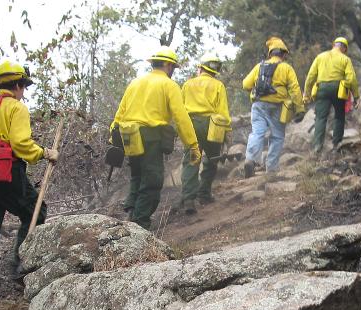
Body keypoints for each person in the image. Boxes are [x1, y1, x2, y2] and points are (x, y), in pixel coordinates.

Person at [0, 60, 59, 307]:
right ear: (17, 85)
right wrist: (45, 153)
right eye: (23, 86)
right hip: (5, 174)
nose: (23, 91)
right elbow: (21, 144)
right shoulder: (16, 108)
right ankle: (21, 266)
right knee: (36, 211)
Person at [111, 46, 201, 229]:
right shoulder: (169, 85)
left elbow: (119, 114)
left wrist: (114, 139)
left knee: (137, 174)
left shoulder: (135, 83)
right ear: (168, 65)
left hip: (129, 136)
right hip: (150, 137)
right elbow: (181, 117)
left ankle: (131, 209)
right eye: (173, 68)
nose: (173, 71)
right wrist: (192, 145)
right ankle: (140, 224)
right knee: (152, 180)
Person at [242, 37, 304, 179]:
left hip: (258, 105)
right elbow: (295, 89)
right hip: (277, 107)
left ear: (270, 53)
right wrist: (299, 109)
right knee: (277, 136)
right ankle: (271, 168)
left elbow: (245, 84)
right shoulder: (286, 68)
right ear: (283, 54)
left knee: (257, 133)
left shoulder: (259, 66)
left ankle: (250, 159)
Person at [180, 53, 231, 214]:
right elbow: (222, 111)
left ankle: (189, 199)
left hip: (191, 124)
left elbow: (180, 108)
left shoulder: (187, 85)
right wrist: (227, 132)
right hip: (212, 125)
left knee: (192, 159)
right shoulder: (218, 85)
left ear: (200, 68)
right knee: (212, 159)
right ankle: (204, 193)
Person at [303, 37, 360, 155]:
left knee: (320, 117)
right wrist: (356, 96)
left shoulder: (320, 56)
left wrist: (306, 93)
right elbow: (351, 79)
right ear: (343, 48)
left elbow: (311, 76)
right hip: (338, 89)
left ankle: (317, 148)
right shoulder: (345, 59)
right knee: (339, 115)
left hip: (322, 88)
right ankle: (336, 144)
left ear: (334, 45)